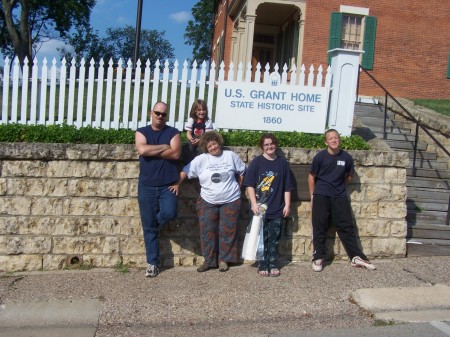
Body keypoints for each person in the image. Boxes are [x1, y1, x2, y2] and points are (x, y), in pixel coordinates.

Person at [170, 131, 245, 272]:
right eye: (209, 146)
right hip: (207, 200)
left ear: (219, 143)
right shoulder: (201, 159)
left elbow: (242, 172)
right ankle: (209, 261)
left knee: (227, 230)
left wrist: (238, 188)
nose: (212, 147)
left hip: (231, 200)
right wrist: (177, 184)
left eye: (214, 144)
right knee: (207, 231)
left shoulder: (230, 155)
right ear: (205, 148)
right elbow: (186, 171)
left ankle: (224, 260)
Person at [308, 129, 376, 272]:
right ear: (326, 142)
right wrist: (313, 196)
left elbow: (349, 177)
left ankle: (356, 257)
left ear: (339, 139)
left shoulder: (346, 158)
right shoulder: (320, 157)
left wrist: (337, 187)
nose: (334, 140)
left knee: (346, 227)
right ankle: (318, 257)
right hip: (321, 195)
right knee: (319, 226)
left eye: (336, 137)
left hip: (339, 196)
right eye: (331, 138)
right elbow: (311, 177)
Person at [135, 101, 182, 278]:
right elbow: (142, 149)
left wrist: (150, 150)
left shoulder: (173, 132)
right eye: (157, 113)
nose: (160, 116)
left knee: (169, 213)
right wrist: (164, 147)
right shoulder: (142, 131)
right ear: (151, 113)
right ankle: (153, 263)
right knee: (148, 226)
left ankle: (154, 228)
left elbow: (176, 153)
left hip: (167, 185)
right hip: (146, 185)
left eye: (163, 114)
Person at [243, 133, 293, 277]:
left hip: (277, 207)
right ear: (262, 147)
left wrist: (287, 205)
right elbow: (250, 185)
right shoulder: (257, 162)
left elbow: (287, 187)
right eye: (266, 144)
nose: (269, 146)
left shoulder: (282, 163)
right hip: (260, 209)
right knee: (261, 237)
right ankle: (262, 262)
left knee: (274, 237)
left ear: (275, 145)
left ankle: (273, 262)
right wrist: (253, 204)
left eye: (271, 143)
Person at [183, 99, 214, 163]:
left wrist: (200, 140)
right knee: (189, 148)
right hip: (192, 139)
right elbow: (188, 133)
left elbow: (207, 135)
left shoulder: (207, 121)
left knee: (201, 149)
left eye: (203, 110)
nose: (202, 112)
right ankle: (189, 162)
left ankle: (199, 162)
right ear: (194, 111)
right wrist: (191, 139)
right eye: (199, 110)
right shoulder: (191, 120)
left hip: (203, 139)